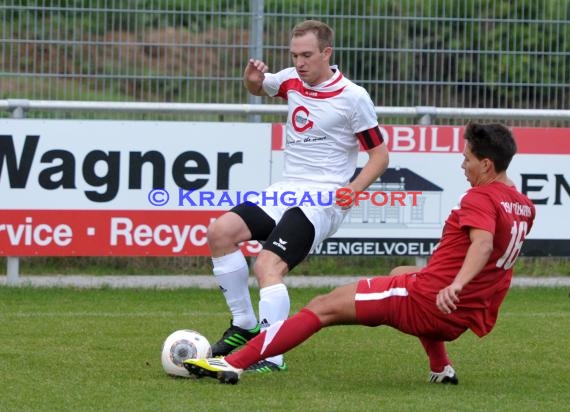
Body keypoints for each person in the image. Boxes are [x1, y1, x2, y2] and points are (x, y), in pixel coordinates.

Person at [184, 122, 536, 385]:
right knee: (401, 272)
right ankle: (441, 369)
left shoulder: (479, 197)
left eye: (468, 159)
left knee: (322, 306)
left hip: (432, 300)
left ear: (487, 165)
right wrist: (456, 289)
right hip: (461, 315)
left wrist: (455, 285)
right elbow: (493, 256)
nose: (463, 166)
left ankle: (233, 363)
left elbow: (483, 244)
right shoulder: (522, 205)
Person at [205, 19, 389, 372]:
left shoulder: (353, 97)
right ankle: (244, 326)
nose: (300, 62)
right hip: (287, 189)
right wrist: (252, 80)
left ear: (326, 53)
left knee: (266, 265)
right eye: (294, 55)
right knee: (220, 232)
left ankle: (271, 356)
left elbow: (379, 156)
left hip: (324, 199)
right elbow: (259, 88)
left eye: (307, 55)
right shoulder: (291, 78)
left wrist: (354, 188)